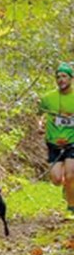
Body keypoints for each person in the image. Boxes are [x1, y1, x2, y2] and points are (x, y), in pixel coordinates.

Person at [38, 62, 74, 219]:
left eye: (64, 76)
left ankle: (71, 207)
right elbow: (39, 115)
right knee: (57, 179)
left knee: (71, 175)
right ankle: (66, 187)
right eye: (58, 77)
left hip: (72, 142)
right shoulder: (47, 98)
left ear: (71, 78)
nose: (61, 79)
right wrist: (39, 125)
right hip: (53, 143)